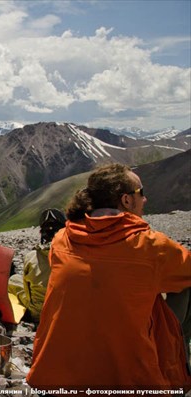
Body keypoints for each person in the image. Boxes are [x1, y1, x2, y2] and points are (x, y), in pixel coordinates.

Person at [27, 163, 191, 390]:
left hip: (54, 379)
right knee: (185, 285)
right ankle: (176, 376)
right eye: (140, 193)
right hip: (127, 382)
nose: (145, 200)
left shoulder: (63, 238)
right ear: (126, 200)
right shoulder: (151, 246)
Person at [7, 208, 66, 322]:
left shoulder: (31, 257)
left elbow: (27, 290)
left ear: (41, 233)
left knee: (13, 280)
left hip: (39, 314)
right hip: (66, 311)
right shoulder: (75, 255)